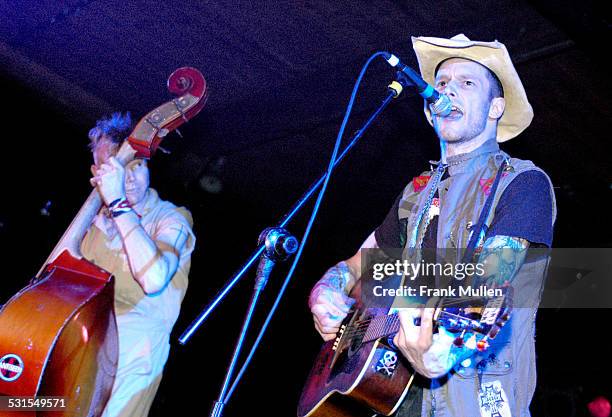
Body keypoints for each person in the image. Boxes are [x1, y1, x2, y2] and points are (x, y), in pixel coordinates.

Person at [308, 34, 556, 417]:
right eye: (441, 84)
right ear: (429, 111)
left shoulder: (522, 182)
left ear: (495, 108)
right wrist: (327, 289)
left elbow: (490, 278)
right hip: (393, 399)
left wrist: (448, 350)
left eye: (466, 83)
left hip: (474, 399)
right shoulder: (416, 193)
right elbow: (358, 266)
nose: (447, 91)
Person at [81, 112, 196, 417]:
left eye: (136, 166)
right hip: (80, 350)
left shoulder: (171, 218)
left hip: (132, 361)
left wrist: (117, 202)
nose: (128, 178)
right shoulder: (90, 223)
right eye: (116, 168)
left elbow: (155, 277)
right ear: (98, 172)